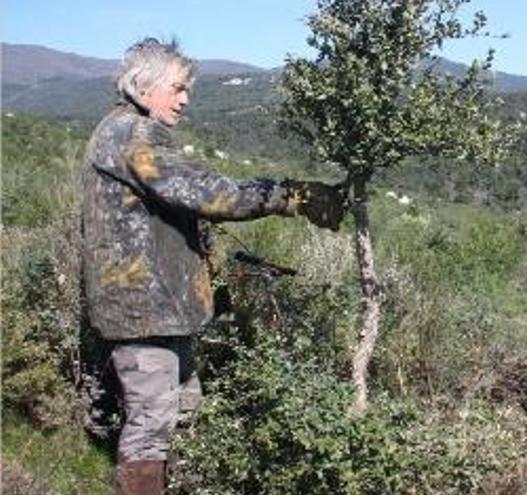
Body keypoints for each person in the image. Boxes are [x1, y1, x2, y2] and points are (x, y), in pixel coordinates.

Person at [80, 38, 346, 494]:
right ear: (144, 86)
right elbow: (205, 193)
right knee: (153, 424)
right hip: (143, 310)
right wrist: (290, 196)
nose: (186, 99)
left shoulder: (122, 129)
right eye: (178, 88)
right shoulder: (132, 135)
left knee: (183, 405)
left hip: (160, 307)